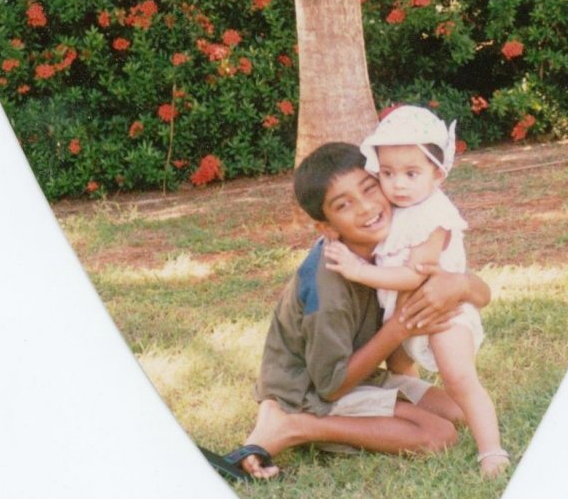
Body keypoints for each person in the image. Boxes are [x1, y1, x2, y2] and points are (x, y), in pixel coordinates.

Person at [205, 141, 491, 482]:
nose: (367, 207)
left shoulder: (398, 238)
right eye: (344, 205)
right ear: (328, 227)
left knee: (459, 410)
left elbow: (482, 295)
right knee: (438, 435)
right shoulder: (331, 288)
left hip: (359, 373)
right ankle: (295, 425)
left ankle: (304, 419)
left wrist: (459, 284)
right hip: (309, 390)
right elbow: (331, 386)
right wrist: (400, 328)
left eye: (369, 188)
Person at [324, 106, 509, 478]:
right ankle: (421, 408)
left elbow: (414, 275)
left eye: (411, 174)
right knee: (399, 368)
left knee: (459, 377)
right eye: (387, 173)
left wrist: (359, 271)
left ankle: (491, 451)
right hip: (402, 312)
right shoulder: (395, 205)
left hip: (441, 312)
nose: (398, 185)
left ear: (438, 174)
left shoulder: (435, 215)